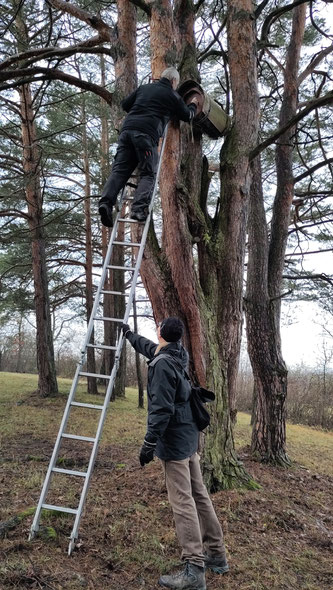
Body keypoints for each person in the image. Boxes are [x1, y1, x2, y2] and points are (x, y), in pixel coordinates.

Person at [121, 317, 229, 590]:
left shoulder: (161, 365)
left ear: (161, 333)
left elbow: (160, 410)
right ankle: (216, 555)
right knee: (200, 495)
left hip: (176, 442)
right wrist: (130, 336)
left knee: (183, 503)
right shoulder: (178, 353)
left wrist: (148, 444)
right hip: (189, 437)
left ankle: (194, 569)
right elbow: (151, 349)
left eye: (157, 328)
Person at [98, 67, 198, 227]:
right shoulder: (173, 95)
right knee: (148, 173)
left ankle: (105, 203)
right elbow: (188, 116)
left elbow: (125, 105)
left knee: (119, 171)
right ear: (174, 82)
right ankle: (138, 210)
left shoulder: (144, 88)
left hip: (127, 132)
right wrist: (193, 104)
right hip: (146, 135)